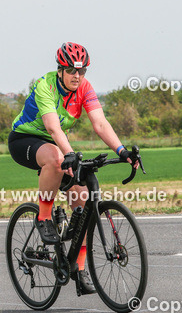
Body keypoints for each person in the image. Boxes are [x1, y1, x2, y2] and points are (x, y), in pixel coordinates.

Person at [8, 42, 140, 296]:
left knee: (82, 199)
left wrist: (122, 151)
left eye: (82, 71)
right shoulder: (44, 85)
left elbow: (100, 124)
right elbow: (53, 128)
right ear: (60, 70)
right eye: (71, 70)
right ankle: (44, 216)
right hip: (25, 139)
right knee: (58, 161)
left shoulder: (85, 89)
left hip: (57, 144)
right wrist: (69, 155)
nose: (77, 76)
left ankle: (78, 269)